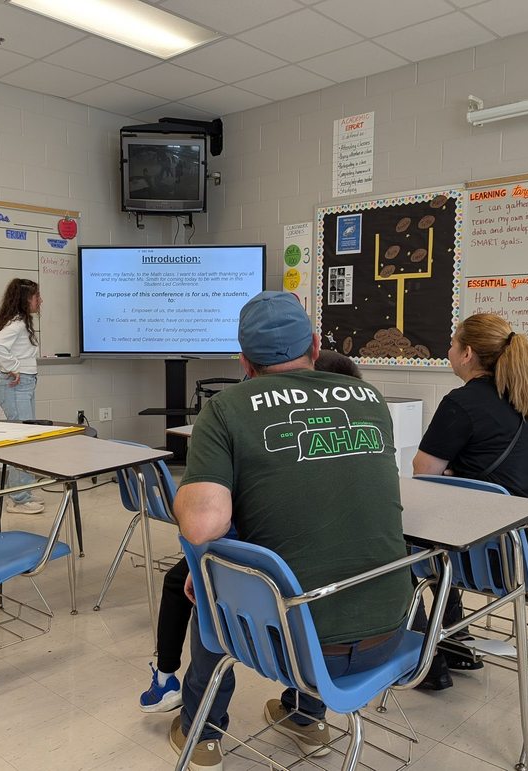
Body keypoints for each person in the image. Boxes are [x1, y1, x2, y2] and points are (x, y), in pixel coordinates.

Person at [168, 291, 412, 770]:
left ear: (244, 361)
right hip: (390, 633)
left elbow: (202, 525)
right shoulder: (370, 398)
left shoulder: (226, 408)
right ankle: (306, 717)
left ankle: (202, 733)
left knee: (208, 588)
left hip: (294, 650)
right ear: (315, 346)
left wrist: (185, 494)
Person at [138, 347, 366, 715]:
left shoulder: (258, 430)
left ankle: (197, 720)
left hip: (271, 597)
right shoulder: (360, 442)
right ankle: (307, 717)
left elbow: (211, 522)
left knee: (203, 587)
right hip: (347, 623)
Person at [413, 313, 528, 690]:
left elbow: (423, 473)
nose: (448, 350)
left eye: (452, 344)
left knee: (407, 551)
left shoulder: (460, 403)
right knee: (444, 540)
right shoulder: (518, 396)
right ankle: (454, 641)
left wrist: (451, 476)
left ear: (467, 354)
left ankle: (425, 662)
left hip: (503, 559)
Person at [0, 278, 45, 514]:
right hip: (16, 387)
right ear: (25, 299)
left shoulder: (22, 322)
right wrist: (13, 367)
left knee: (27, 439)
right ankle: (18, 499)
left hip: (23, 386)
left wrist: (17, 367)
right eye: (36, 296)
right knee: (22, 441)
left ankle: (22, 492)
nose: (40, 300)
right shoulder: (18, 323)